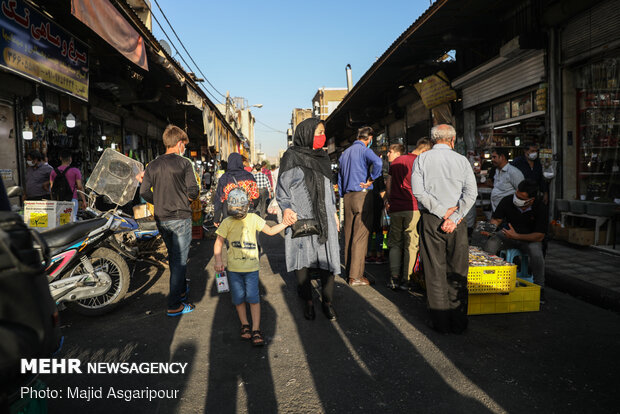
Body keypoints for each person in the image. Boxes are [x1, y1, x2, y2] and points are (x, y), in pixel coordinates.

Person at [411, 125, 477, 334]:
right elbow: (471, 193)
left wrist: (441, 212)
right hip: (457, 221)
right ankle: (458, 321)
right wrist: (454, 216)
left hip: (432, 219)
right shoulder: (461, 160)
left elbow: (418, 192)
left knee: (434, 270)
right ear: (453, 140)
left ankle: (441, 321)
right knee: (457, 270)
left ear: (432, 140)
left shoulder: (422, 159)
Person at [277, 118, 340, 321]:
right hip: (301, 218)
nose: (322, 137)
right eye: (318, 132)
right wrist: (286, 209)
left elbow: (329, 190)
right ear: (306, 133)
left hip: (325, 218)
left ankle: (327, 301)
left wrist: (335, 213)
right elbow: (282, 191)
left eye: (323, 132)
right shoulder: (291, 157)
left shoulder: (323, 157)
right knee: (302, 262)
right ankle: (309, 301)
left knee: (328, 261)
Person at [214, 187, 292, 347]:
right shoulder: (227, 222)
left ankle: (255, 328)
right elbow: (218, 241)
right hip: (234, 269)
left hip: (251, 269)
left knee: (253, 298)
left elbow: (270, 231)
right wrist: (218, 261)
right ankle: (245, 325)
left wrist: (284, 224)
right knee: (238, 299)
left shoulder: (252, 219)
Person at [138, 125, 199, 317]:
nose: (185, 149)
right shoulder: (184, 163)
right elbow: (194, 192)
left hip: (162, 219)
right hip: (180, 217)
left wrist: (159, 202)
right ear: (180, 143)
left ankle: (180, 291)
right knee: (180, 261)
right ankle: (174, 305)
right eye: (184, 145)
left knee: (174, 257)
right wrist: (182, 201)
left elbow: (143, 192)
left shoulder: (152, 165)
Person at [484, 179, 548, 302]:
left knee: (536, 253)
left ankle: (540, 288)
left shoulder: (540, 207)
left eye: (521, 198)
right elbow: (496, 220)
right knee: (491, 242)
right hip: (508, 235)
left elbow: (539, 236)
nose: (517, 199)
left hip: (530, 238)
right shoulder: (507, 200)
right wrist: (488, 229)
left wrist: (517, 236)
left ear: (531, 200)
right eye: (516, 195)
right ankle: (487, 280)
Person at [338, 126, 383, 286]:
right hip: (362, 194)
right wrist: (372, 178)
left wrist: (343, 194)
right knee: (361, 236)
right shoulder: (364, 150)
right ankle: (355, 276)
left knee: (349, 236)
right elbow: (378, 162)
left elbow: (340, 176)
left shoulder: (345, 154)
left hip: (347, 196)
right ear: (369, 138)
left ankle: (349, 271)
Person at [385, 138, 432, 290]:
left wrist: (388, 200)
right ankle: (407, 279)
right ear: (424, 150)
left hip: (396, 207)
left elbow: (389, 184)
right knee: (411, 244)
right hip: (413, 207)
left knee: (395, 243)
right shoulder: (420, 162)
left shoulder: (397, 161)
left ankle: (394, 277)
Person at [213, 153, 258, 225]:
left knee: (230, 235)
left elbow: (219, 199)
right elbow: (255, 197)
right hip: (246, 213)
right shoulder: (249, 176)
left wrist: (216, 218)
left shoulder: (225, 178)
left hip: (228, 214)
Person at [50, 150, 87, 214]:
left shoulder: (53, 172)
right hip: (72, 199)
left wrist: (53, 200)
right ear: (70, 159)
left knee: (60, 220)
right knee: (72, 220)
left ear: (60, 158)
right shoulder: (75, 171)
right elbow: (80, 187)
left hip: (59, 200)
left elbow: (52, 187)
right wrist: (84, 200)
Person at [490, 147, 524, 212]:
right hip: (496, 211)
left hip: (508, 212)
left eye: (494, 157)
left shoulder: (513, 172)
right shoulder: (497, 171)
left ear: (502, 157)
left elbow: (522, 192)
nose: (492, 160)